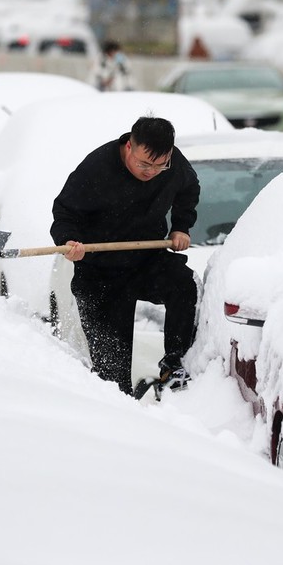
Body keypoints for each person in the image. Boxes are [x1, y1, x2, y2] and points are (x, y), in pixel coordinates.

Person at [51, 116, 199, 398]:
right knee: (113, 380)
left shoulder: (174, 163)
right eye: (144, 164)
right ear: (129, 146)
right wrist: (68, 241)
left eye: (160, 165)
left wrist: (181, 226)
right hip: (99, 274)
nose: (151, 172)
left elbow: (189, 190)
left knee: (182, 283)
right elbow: (65, 212)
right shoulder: (96, 168)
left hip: (146, 259)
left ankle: (174, 364)